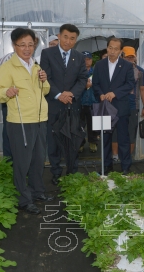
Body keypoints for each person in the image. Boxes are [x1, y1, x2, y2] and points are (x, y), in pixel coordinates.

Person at [0, 28, 53, 215]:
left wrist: (44, 80)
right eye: (22, 45)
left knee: (37, 159)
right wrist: (6, 92)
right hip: (20, 121)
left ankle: (37, 191)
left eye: (30, 45)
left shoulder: (36, 66)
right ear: (14, 46)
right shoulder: (7, 67)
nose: (27, 49)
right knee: (22, 162)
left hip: (39, 118)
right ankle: (23, 199)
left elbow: (46, 91)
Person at [40, 24, 88, 185]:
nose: (68, 41)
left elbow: (82, 79)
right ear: (59, 36)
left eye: (72, 38)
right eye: (65, 37)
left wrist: (71, 94)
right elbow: (46, 77)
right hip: (54, 104)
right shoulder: (47, 53)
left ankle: (72, 171)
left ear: (76, 40)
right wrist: (59, 94)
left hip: (72, 105)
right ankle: (55, 172)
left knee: (73, 140)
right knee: (53, 141)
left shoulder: (79, 57)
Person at [92, 38, 135, 175]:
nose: (112, 51)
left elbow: (129, 84)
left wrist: (115, 93)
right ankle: (106, 166)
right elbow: (95, 84)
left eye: (116, 49)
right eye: (110, 48)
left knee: (123, 138)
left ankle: (125, 167)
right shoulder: (99, 65)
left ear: (120, 51)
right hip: (104, 107)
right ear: (107, 48)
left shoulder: (127, 66)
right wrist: (100, 94)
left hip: (120, 107)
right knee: (105, 139)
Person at [112, 46, 144, 161]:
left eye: (132, 57)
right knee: (115, 132)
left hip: (133, 106)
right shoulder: (115, 68)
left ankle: (127, 157)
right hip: (116, 104)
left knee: (131, 132)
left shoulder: (140, 71)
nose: (130, 59)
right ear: (122, 56)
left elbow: (142, 89)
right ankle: (115, 156)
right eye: (127, 57)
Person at [79, 51, 98, 153]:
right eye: (85, 59)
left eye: (89, 59)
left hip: (93, 102)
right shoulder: (78, 72)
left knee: (93, 125)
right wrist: (84, 86)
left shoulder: (96, 71)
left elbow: (100, 85)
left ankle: (93, 142)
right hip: (81, 102)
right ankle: (80, 144)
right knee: (80, 125)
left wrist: (92, 85)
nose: (87, 61)